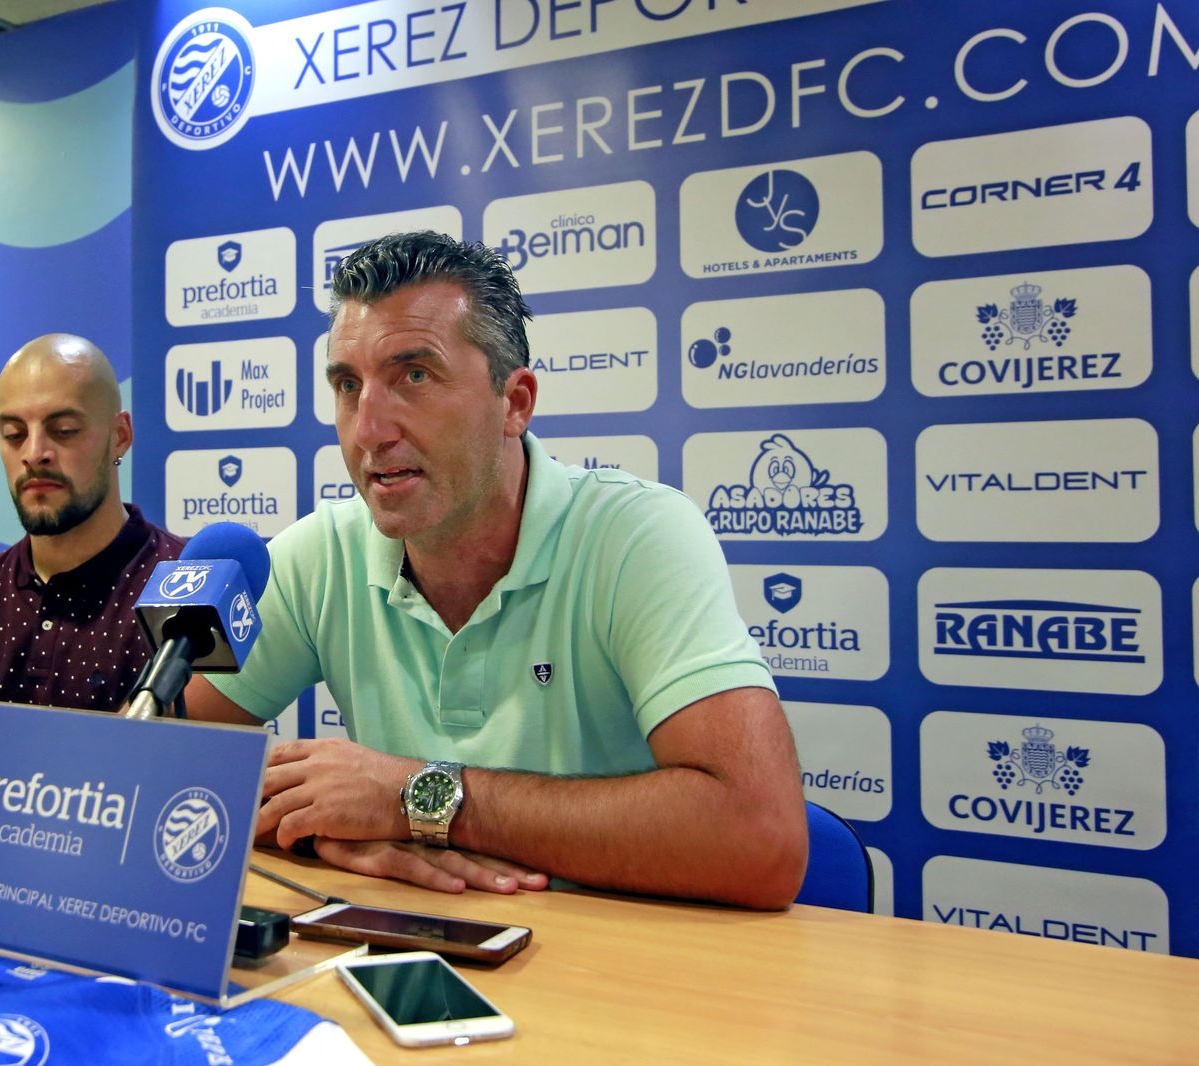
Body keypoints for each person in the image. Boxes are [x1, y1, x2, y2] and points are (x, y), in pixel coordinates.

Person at [184, 232, 807, 908]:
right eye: (347, 385)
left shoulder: (636, 537)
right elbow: (159, 761)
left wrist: (416, 798)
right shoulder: (318, 554)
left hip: (624, 970)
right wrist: (315, 830)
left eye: (413, 376)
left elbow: (761, 838)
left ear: (515, 403)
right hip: (410, 958)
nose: (368, 430)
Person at [0, 333, 185, 712]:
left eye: (64, 431)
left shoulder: (191, 599)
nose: (34, 454)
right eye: (14, 435)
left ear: (120, 437)